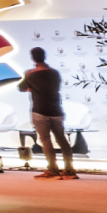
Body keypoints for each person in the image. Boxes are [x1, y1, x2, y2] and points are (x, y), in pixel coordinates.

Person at [24, 47, 76, 178]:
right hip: (56, 110)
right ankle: (69, 170)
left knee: (46, 141)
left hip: (40, 110)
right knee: (62, 140)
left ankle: (52, 169)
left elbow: (21, 87)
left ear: (33, 58)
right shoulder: (55, 73)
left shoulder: (30, 74)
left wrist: (32, 88)